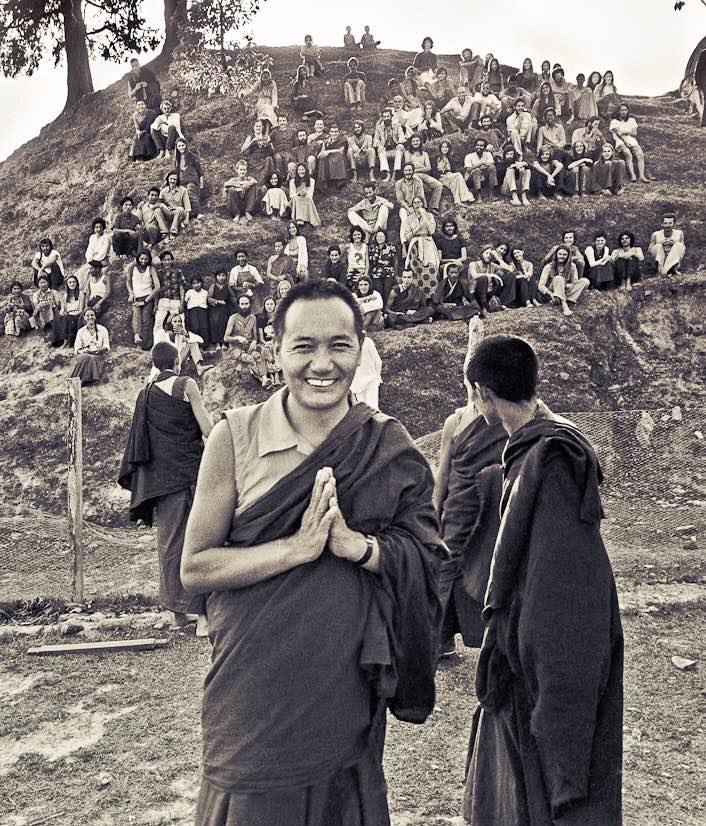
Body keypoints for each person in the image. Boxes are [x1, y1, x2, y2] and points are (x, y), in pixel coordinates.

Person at [182, 279, 443, 826]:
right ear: (276, 352)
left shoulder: (386, 444)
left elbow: (427, 558)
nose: (321, 364)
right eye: (303, 346)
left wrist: (360, 547)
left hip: (342, 692)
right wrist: (295, 549)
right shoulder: (234, 436)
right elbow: (196, 567)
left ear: (360, 348)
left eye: (339, 345)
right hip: (253, 692)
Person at [462, 335, 623, 826]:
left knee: (554, 791)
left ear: (483, 394)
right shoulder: (541, 442)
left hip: (550, 653)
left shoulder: (550, 459)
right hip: (532, 646)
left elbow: (560, 584)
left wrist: (548, 684)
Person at [119, 340, 212, 632]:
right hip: (189, 475)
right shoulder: (186, 385)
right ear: (177, 361)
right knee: (200, 541)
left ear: (154, 364)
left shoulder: (144, 394)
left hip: (160, 481)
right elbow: (208, 429)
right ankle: (204, 615)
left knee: (169, 544)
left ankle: (178, 615)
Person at [433, 318, 506, 656]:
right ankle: (440, 637)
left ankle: (489, 635)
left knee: (486, 569)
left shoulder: (502, 420)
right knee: (445, 568)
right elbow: (443, 473)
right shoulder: (455, 421)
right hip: (457, 510)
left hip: (490, 509)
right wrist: (434, 512)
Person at [401, 195, 440, 298]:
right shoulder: (409, 219)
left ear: (423, 204)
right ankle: (417, 297)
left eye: (419, 202)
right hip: (415, 245)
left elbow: (431, 231)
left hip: (428, 243)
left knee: (431, 267)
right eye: (415, 202)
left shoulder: (429, 216)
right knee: (417, 271)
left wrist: (424, 217)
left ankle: (430, 297)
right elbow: (407, 236)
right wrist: (419, 227)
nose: (417, 204)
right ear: (412, 205)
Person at [538, 244, 590, 316]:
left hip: (566, 289)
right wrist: (550, 293)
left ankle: (563, 299)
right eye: (559, 254)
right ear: (556, 254)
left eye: (564, 255)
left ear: (568, 256)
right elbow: (541, 285)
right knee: (558, 278)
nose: (561, 256)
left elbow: (574, 282)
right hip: (553, 289)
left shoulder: (572, 266)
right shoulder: (549, 266)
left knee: (585, 281)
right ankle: (564, 304)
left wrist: (568, 285)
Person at [126, 250, 161, 347]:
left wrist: (146, 301)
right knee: (136, 316)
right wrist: (131, 293)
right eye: (141, 258)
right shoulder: (132, 267)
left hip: (148, 297)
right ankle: (137, 340)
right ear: (138, 258)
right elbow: (128, 282)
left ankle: (146, 345)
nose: (143, 261)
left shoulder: (151, 268)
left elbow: (157, 287)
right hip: (136, 297)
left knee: (146, 320)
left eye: (146, 259)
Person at [609, 103, 648, 183]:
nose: (623, 112)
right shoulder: (614, 121)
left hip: (631, 140)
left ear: (628, 111)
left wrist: (626, 132)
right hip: (620, 141)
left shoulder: (632, 120)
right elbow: (619, 134)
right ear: (618, 111)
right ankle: (633, 176)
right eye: (622, 110)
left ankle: (641, 176)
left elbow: (634, 134)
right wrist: (626, 141)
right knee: (628, 153)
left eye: (625, 110)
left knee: (640, 154)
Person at [404, 133, 443, 213]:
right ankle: (424, 206)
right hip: (413, 175)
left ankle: (433, 206)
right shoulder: (408, 153)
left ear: (420, 142)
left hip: (424, 174)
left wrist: (417, 169)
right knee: (418, 180)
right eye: (413, 141)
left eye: (417, 141)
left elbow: (428, 168)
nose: (415, 143)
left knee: (438, 185)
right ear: (411, 142)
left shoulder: (424, 154)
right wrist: (421, 168)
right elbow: (408, 167)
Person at [70, 309, 110, 386]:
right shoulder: (81, 331)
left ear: (95, 317)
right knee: (85, 356)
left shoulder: (102, 329)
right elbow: (77, 348)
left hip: (98, 355)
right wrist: (84, 350)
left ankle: (81, 381)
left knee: (91, 358)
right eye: (87, 316)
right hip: (84, 354)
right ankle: (78, 380)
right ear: (84, 318)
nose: (90, 317)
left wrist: (101, 349)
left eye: (92, 315)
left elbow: (106, 345)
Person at [435, 140, 475, 206]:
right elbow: (433, 171)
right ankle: (467, 197)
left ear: (449, 148)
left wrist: (450, 173)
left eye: (446, 147)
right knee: (458, 175)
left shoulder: (450, 158)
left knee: (455, 182)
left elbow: (453, 170)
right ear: (440, 148)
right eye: (443, 147)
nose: (445, 149)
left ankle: (457, 202)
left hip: (450, 176)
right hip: (441, 177)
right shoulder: (436, 158)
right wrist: (441, 174)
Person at [469, 247, 506, 318]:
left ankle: (493, 303)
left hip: (487, 293)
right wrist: (491, 275)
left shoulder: (492, 265)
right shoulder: (473, 264)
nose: (488, 255)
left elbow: (508, 269)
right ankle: (483, 307)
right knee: (483, 278)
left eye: (491, 254)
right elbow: (474, 275)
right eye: (486, 253)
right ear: (481, 254)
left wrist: (497, 258)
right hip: (474, 293)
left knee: (501, 277)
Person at [154, 253, 185, 334]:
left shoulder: (178, 272)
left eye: (169, 260)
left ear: (172, 261)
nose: (166, 262)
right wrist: (155, 304)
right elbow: (157, 290)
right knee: (158, 323)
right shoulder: (159, 273)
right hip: (163, 300)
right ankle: (157, 344)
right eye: (164, 260)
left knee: (180, 323)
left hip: (175, 300)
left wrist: (182, 303)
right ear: (161, 261)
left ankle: (181, 345)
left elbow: (181, 288)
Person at [75, 219, 111, 291]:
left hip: (102, 260)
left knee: (88, 270)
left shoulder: (106, 237)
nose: (98, 229)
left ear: (103, 228)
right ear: (94, 228)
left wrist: (94, 260)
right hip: (92, 260)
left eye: (100, 227)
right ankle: (81, 289)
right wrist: (89, 259)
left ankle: (86, 289)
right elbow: (89, 250)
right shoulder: (92, 237)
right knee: (81, 271)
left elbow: (103, 252)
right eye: (96, 227)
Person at [373, 108, 407, 181]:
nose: (386, 118)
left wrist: (400, 143)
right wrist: (380, 145)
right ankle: (388, 174)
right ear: (382, 118)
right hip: (385, 150)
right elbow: (375, 139)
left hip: (395, 149)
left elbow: (402, 136)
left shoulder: (397, 126)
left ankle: (394, 175)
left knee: (400, 149)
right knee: (380, 150)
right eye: (384, 117)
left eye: (388, 116)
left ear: (391, 117)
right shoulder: (379, 128)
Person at [229, 248, 266, 314]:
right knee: (242, 314)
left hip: (253, 295)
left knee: (255, 314)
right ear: (236, 259)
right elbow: (231, 285)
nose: (241, 259)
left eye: (243, 256)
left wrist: (252, 285)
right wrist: (241, 289)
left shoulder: (252, 269)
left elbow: (260, 282)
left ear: (246, 257)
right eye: (239, 257)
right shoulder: (234, 270)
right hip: (240, 296)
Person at [174, 138, 205, 218]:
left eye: (183, 145)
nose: (181, 148)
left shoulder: (192, 156)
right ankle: (186, 214)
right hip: (182, 182)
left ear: (186, 145)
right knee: (181, 194)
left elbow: (200, 171)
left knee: (189, 191)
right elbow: (175, 173)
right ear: (177, 147)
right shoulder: (176, 159)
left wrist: (201, 185)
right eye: (179, 146)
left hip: (192, 181)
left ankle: (197, 213)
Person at [55, 274, 85, 348]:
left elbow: (81, 309)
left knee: (67, 318)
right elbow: (64, 309)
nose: (72, 284)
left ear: (77, 283)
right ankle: (60, 340)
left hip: (77, 314)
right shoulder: (65, 295)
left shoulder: (81, 294)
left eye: (74, 282)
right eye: (70, 282)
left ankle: (67, 341)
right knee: (59, 317)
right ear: (67, 284)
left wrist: (71, 314)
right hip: (68, 314)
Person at [464, 138, 498, 203]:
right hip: (470, 179)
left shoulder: (487, 154)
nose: (479, 147)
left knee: (492, 168)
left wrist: (481, 168)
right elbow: (468, 169)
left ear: (484, 147)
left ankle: (491, 194)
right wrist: (481, 163)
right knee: (476, 171)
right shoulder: (469, 156)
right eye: (477, 145)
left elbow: (491, 164)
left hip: (484, 177)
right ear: (475, 146)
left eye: (481, 145)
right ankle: (478, 197)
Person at [317, 123, 349, 191]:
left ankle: (340, 180)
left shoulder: (343, 140)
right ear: (329, 133)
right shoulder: (327, 141)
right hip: (328, 160)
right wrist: (322, 151)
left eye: (336, 132)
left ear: (339, 132)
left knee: (339, 155)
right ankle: (324, 182)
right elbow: (323, 151)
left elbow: (341, 150)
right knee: (323, 158)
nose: (334, 133)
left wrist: (328, 152)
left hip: (339, 159)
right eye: (332, 132)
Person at [159, 170, 191, 238]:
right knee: (158, 208)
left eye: (175, 179)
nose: (172, 181)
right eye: (171, 179)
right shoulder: (163, 191)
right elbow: (159, 203)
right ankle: (164, 231)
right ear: (168, 179)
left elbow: (187, 205)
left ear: (177, 181)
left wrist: (187, 218)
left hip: (180, 213)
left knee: (179, 209)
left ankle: (173, 231)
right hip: (169, 213)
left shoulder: (183, 190)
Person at [367, 229, 397, 300]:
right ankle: (380, 308)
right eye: (378, 236)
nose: (380, 238)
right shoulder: (372, 248)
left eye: (382, 236)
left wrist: (396, 273)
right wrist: (369, 272)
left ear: (385, 237)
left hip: (388, 271)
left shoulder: (391, 247)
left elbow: (395, 260)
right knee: (378, 290)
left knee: (387, 290)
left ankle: (387, 308)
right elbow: (370, 262)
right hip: (375, 272)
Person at [289, 164, 321, 228]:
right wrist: (298, 193)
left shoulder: (311, 181)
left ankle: (309, 219)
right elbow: (291, 195)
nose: (301, 172)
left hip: (306, 199)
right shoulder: (292, 181)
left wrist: (305, 193)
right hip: (295, 201)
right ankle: (299, 219)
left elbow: (310, 195)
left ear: (306, 170)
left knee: (308, 199)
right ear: (297, 171)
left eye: (303, 169)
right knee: (297, 198)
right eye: (299, 170)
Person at [270, 114, 298, 179]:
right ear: (278, 122)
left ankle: (286, 178)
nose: (282, 122)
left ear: (286, 122)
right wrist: (272, 147)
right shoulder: (274, 132)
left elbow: (296, 143)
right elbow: (269, 140)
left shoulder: (292, 131)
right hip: (278, 151)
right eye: (280, 121)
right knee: (278, 158)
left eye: (283, 120)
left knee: (287, 158)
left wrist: (293, 151)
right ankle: (279, 178)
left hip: (288, 151)